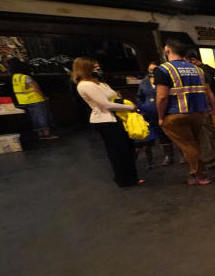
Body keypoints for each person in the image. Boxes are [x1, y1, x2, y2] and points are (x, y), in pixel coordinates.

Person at [72, 56, 142, 187]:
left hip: (117, 117)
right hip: (106, 121)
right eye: (95, 65)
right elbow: (106, 105)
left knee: (128, 149)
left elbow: (114, 96)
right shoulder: (85, 85)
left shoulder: (99, 82)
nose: (98, 67)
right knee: (118, 151)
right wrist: (130, 107)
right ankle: (124, 179)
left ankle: (132, 177)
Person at [154, 40, 215, 185]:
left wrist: (160, 117)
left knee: (188, 146)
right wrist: (214, 109)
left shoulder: (163, 69)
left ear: (168, 50)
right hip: (198, 113)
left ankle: (201, 175)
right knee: (193, 143)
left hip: (176, 114)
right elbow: (208, 92)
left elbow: (162, 96)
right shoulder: (198, 69)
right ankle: (196, 173)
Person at [136, 62, 175, 166]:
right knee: (155, 135)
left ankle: (176, 155)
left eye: (154, 69)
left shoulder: (165, 80)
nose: (152, 71)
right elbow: (139, 97)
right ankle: (162, 158)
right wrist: (142, 108)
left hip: (165, 111)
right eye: (150, 69)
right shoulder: (144, 82)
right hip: (149, 113)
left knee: (169, 133)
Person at [9, 58, 58, 140]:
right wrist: (43, 96)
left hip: (24, 101)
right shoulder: (25, 77)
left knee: (34, 118)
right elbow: (35, 88)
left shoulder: (14, 77)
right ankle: (47, 134)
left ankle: (40, 134)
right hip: (35, 99)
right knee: (42, 117)